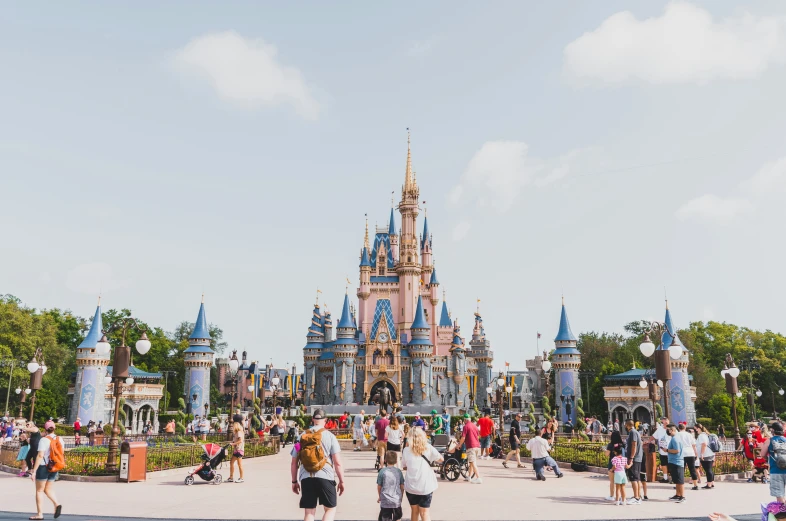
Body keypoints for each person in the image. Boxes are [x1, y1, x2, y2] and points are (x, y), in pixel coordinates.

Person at [290, 409, 345, 521]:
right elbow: (338, 463)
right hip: (325, 476)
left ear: (313, 419)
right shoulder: (330, 436)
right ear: (325, 420)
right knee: (330, 509)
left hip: (306, 477)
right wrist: (342, 481)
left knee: (309, 512)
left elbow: (294, 462)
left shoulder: (301, 437)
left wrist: (294, 481)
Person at [401, 427, 443, 521]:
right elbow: (441, 459)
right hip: (425, 486)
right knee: (425, 513)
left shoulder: (406, 450)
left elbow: (404, 466)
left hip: (411, 486)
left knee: (414, 511)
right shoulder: (428, 447)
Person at [29, 421, 62, 520]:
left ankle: (40, 514)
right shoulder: (60, 439)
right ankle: (57, 504)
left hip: (43, 467)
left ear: (45, 429)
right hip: (54, 467)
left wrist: (34, 471)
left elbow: (40, 456)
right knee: (48, 489)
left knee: (39, 490)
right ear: (54, 428)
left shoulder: (44, 440)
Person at [759, 421, 786, 503]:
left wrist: (768, 458)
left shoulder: (769, 441)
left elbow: (762, 454)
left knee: (779, 495)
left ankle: (783, 512)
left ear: (772, 430)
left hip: (775, 470)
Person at [377, 451, 404, 521]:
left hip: (385, 499)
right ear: (396, 461)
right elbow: (402, 486)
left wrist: (380, 496)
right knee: (398, 517)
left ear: (385, 460)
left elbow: (379, 486)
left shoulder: (382, 471)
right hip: (396, 500)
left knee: (385, 517)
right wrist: (401, 496)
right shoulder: (398, 471)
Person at [624, 419, 644, 504]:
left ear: (626, 425)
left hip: (634, 458)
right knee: (637, 478)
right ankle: (637, 495)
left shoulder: (633, 432)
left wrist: (631, 457)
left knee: (634, 478)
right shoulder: (635, 432)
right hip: (637, 458)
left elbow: (634, 444)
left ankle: (636, 498)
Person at [457, 414, 482, 484]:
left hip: (471, 446)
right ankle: (469, 476)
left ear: (465, 420)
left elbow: (463, 437)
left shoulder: (466, 426)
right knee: (471, 462)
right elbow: (478, 436)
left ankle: (478, 477)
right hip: (477, 446)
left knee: (473, 463)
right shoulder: (475, 426)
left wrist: (459, 445)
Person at [666, 424, 686, 503]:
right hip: (674, 461)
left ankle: (682, 496)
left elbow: (677, 450)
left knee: (680, 480)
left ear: (672, 430)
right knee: (677, 480)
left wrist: (667, 450)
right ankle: (678, 495)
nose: (667, 431)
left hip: (677, 461)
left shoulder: (675, 439)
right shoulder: (675, 438)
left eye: (668, 429)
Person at [676, 423, 699, 490]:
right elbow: (694, 445)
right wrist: (696, 453)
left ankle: (680, 484)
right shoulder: (689, 435)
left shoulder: (677, 435)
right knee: (692, 469)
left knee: (681, 470)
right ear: (685, 428)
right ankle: (695, 485)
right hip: (690, 452)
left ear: (678, 428)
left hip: (681, 453)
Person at [604, 430, 625, 501]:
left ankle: (612, 496)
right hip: (621, 465)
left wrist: (604, 450)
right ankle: (622, 497)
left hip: (612, 464)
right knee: (621, 483)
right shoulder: (622, 444)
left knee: (612, 481)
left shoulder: (611, 445)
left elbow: (606, 454)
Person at [695, 423, 715, 489]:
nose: (696, 431)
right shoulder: (705, 434)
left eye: (696, 429)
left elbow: (704, 444)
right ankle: (711, 483)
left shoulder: (702, 435)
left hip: (706, 455)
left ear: (698, 428)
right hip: (710, 454)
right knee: (710, 469)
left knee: (708, 470)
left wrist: (702, 454)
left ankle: (709, 484)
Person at [652, 417, 671, 482]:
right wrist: (648, 441)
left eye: (666, 421)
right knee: (663, 464)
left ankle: (673, 478)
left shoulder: (672, 429)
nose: (665, 423)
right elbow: (654, 436)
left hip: (671, 450)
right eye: (663, 422)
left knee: (672, 465)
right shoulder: (660, 429)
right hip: (662, 451)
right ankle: (665, 478)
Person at [228, 416, 245, 483]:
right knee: (231, 462)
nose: (232, 427)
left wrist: (233, 444)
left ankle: (241, 478)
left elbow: (240, 441)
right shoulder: (236, 432)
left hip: (239, 450)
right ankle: (231, 477)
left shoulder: (239, 432)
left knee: (239, 464)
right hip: (236, 450)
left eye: (233, 425)